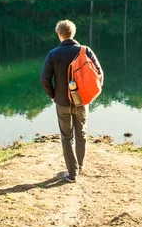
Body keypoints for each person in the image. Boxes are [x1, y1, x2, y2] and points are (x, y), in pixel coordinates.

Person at [40, 19, 103, 183]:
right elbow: (99, 75)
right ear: (72, 33)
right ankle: (80, 166)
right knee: (81, 133)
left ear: (59, 35)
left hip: (62, 103)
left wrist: (53, 95)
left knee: (67, 137)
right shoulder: (86, 50)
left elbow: (44, 79)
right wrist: (88, 94)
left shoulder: (53, 54)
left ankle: (72, 174)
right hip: (82, 101)